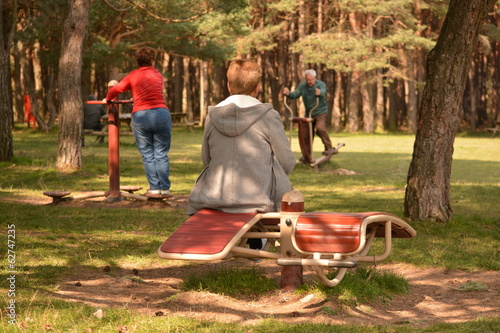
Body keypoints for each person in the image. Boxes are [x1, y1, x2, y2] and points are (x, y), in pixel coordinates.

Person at [187, 59, 296, 219]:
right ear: (257, 87)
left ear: (229, 86)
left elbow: (207, 159)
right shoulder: (268, 116)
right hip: (259, 200)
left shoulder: (212, 116)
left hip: (215, 199)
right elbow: (287, 162)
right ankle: (259, 240)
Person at [106, 46, 172, 196]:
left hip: (141, 115)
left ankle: (154, 188)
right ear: (153, 60)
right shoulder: (158, 75)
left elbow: (116, 89)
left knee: (148, 154)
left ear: (138, 61)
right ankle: (165, 188)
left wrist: (108, 98)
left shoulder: (133, 75)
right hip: (161, 113)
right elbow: (150, 91)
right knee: (161, 153)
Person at [283, 69, 334, 163]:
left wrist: (319, 92)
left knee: (320, 128)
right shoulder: (303, 86)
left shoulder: (320, 84)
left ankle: (329, 148)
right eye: (307, 80)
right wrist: (288, 93)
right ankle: (307, 156)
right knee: (306, 135)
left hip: (320, 112)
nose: (309, 82)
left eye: (310, 80)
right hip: (309, 113)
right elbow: (295, 94)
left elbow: (323, 91)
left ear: (315, 78)